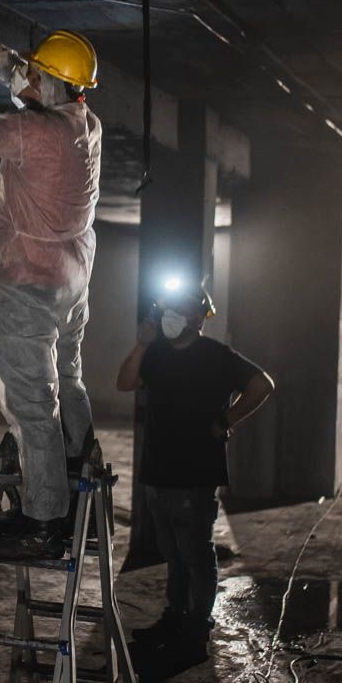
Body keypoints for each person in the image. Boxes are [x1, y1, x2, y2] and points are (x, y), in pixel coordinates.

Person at [0, 25, 103, 560]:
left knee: (31, 406)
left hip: (26, 285)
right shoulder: (84, 124)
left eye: (36, 74)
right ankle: (78, 476)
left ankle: (44, 520)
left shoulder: (35, 134)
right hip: (70, 280)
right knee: (69, 380)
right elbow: (25, 76)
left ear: (54, 84)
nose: (25, 78)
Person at [116, 279, 275, 661]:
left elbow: (262, 384)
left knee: (195, 554)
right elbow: (124, 382)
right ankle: (175, 616)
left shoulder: (216, 356)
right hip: (158, 473)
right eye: (167, 307)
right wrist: (142, 341)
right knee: (172, 553)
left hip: (195, 476)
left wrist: (227, 419)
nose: (171, 314)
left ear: (198, 318)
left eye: (180, 309)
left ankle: (196, 626)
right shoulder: (155, 354)